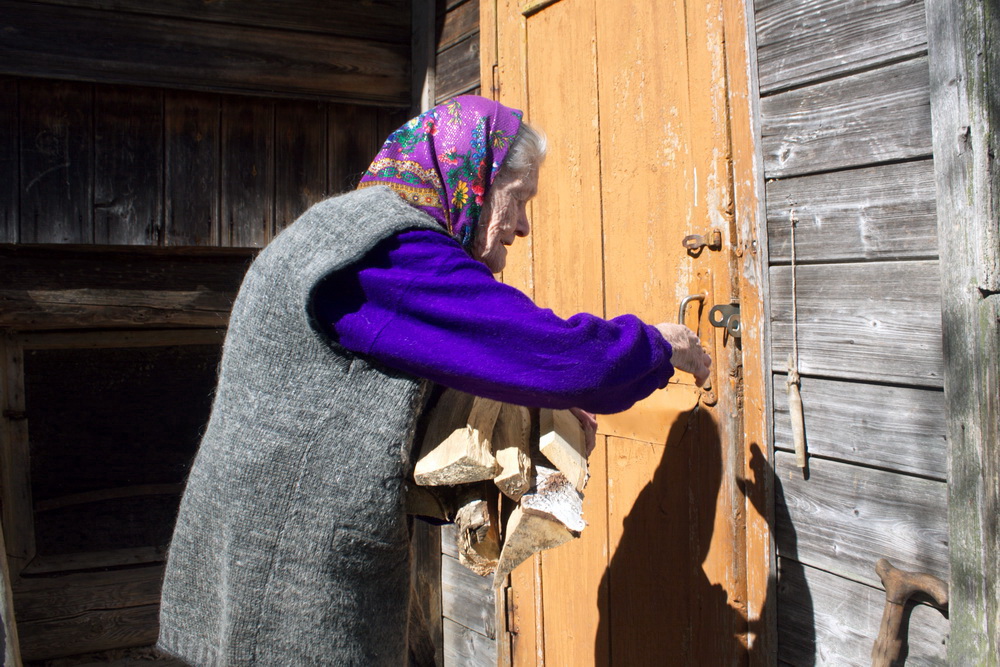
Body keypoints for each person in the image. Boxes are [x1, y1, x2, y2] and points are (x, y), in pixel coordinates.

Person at [157, 95, 710, 665]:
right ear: (470, 176)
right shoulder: (389, 253)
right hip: (287, 581)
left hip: (249, 552)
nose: (522, 226)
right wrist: (660, 345)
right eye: (518, 200)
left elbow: (355, 385)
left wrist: (531, 414)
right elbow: (561, 357)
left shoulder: (337, 230)